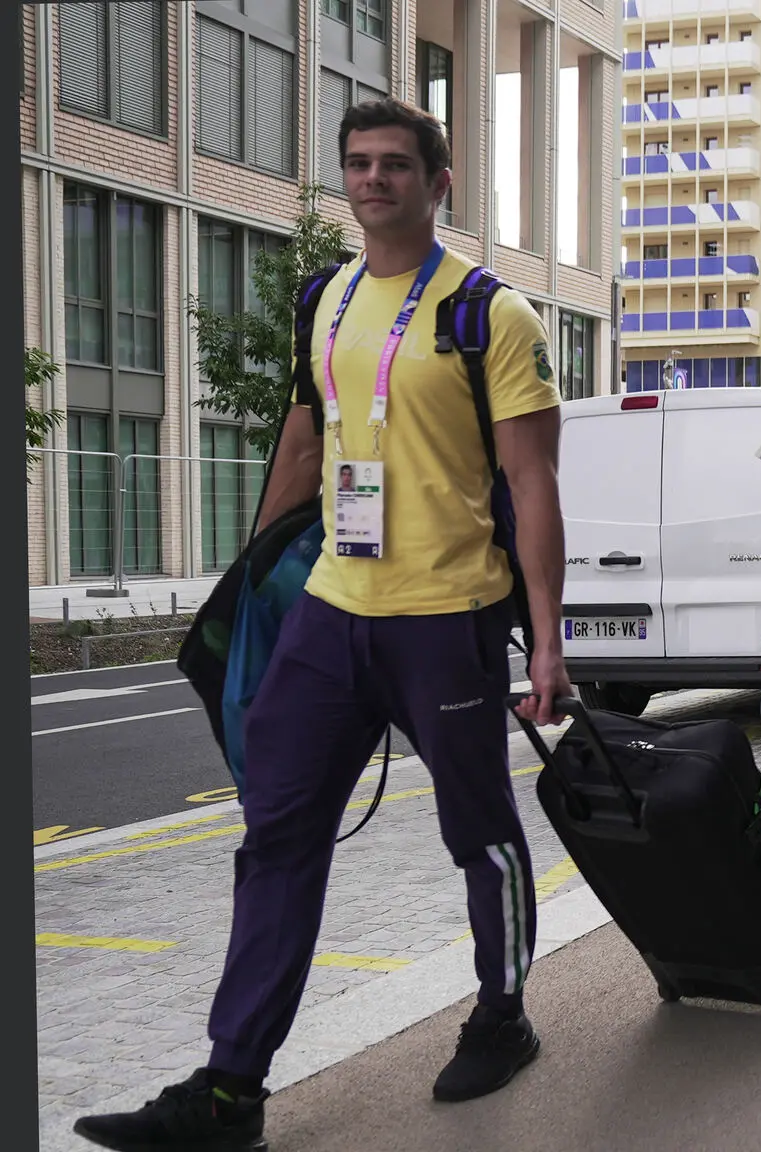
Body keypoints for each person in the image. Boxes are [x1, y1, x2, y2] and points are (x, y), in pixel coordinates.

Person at [73, 100, 572, 1152]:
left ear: (441, 184)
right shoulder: (323, 299)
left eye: (395, 164)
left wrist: (550, 642)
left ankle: (503, 1012)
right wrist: (258, 582)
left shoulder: (492, 315)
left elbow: (533, 486)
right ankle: (229, 1091)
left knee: (477, 833)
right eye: (357, 164)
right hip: (331, 613)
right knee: (276, 838)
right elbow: (304, 446)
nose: (372, 180)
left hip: (449, 620)